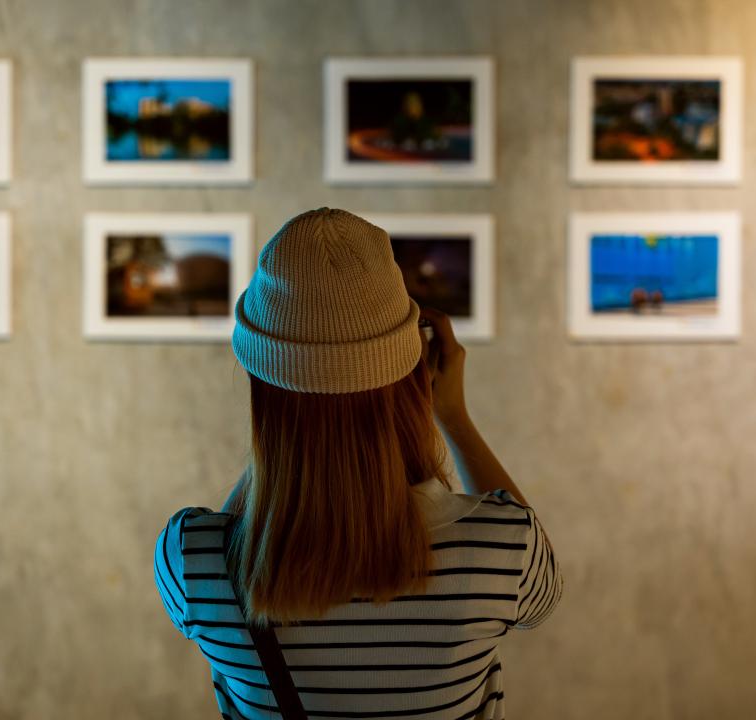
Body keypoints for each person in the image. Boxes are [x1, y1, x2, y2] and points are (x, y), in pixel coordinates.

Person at [154, 208, 562, 719]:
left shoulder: (192, 561)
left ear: (263, 387)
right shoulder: (499, 549)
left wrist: (299, 423)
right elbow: (543, 595)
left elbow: (248, 523)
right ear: (415, 369)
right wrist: (453, 416)